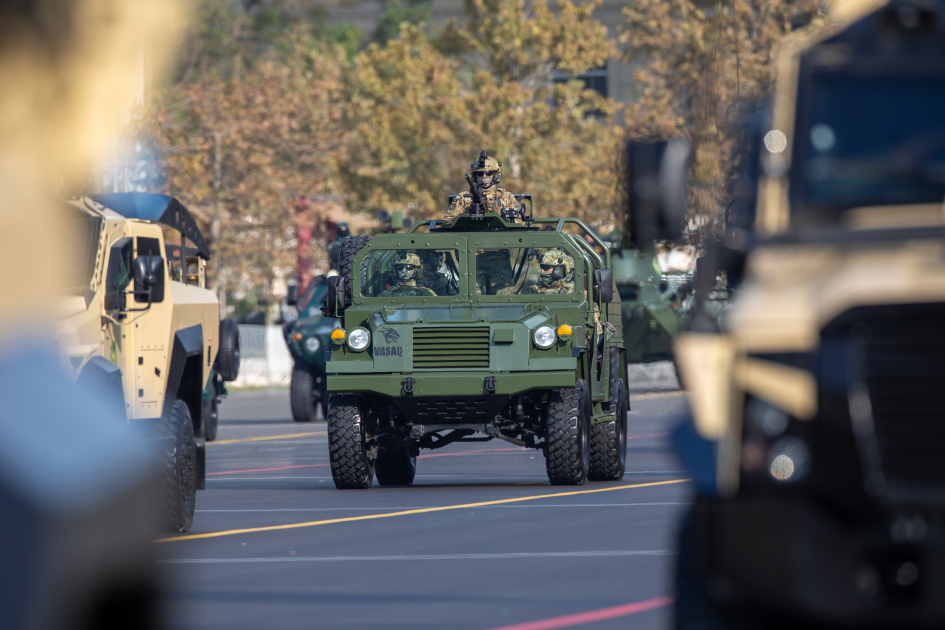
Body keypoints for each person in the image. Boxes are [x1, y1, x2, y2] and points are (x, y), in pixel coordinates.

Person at [446, 151, 520, 221]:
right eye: (480, 174)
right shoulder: (463, 198)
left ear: (495, 175)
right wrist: (468, 212)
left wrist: (500, 212)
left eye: (488, 173)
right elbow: (448, 222)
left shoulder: (507, 198)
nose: (484, 177)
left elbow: (521, 223)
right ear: (475, 176)